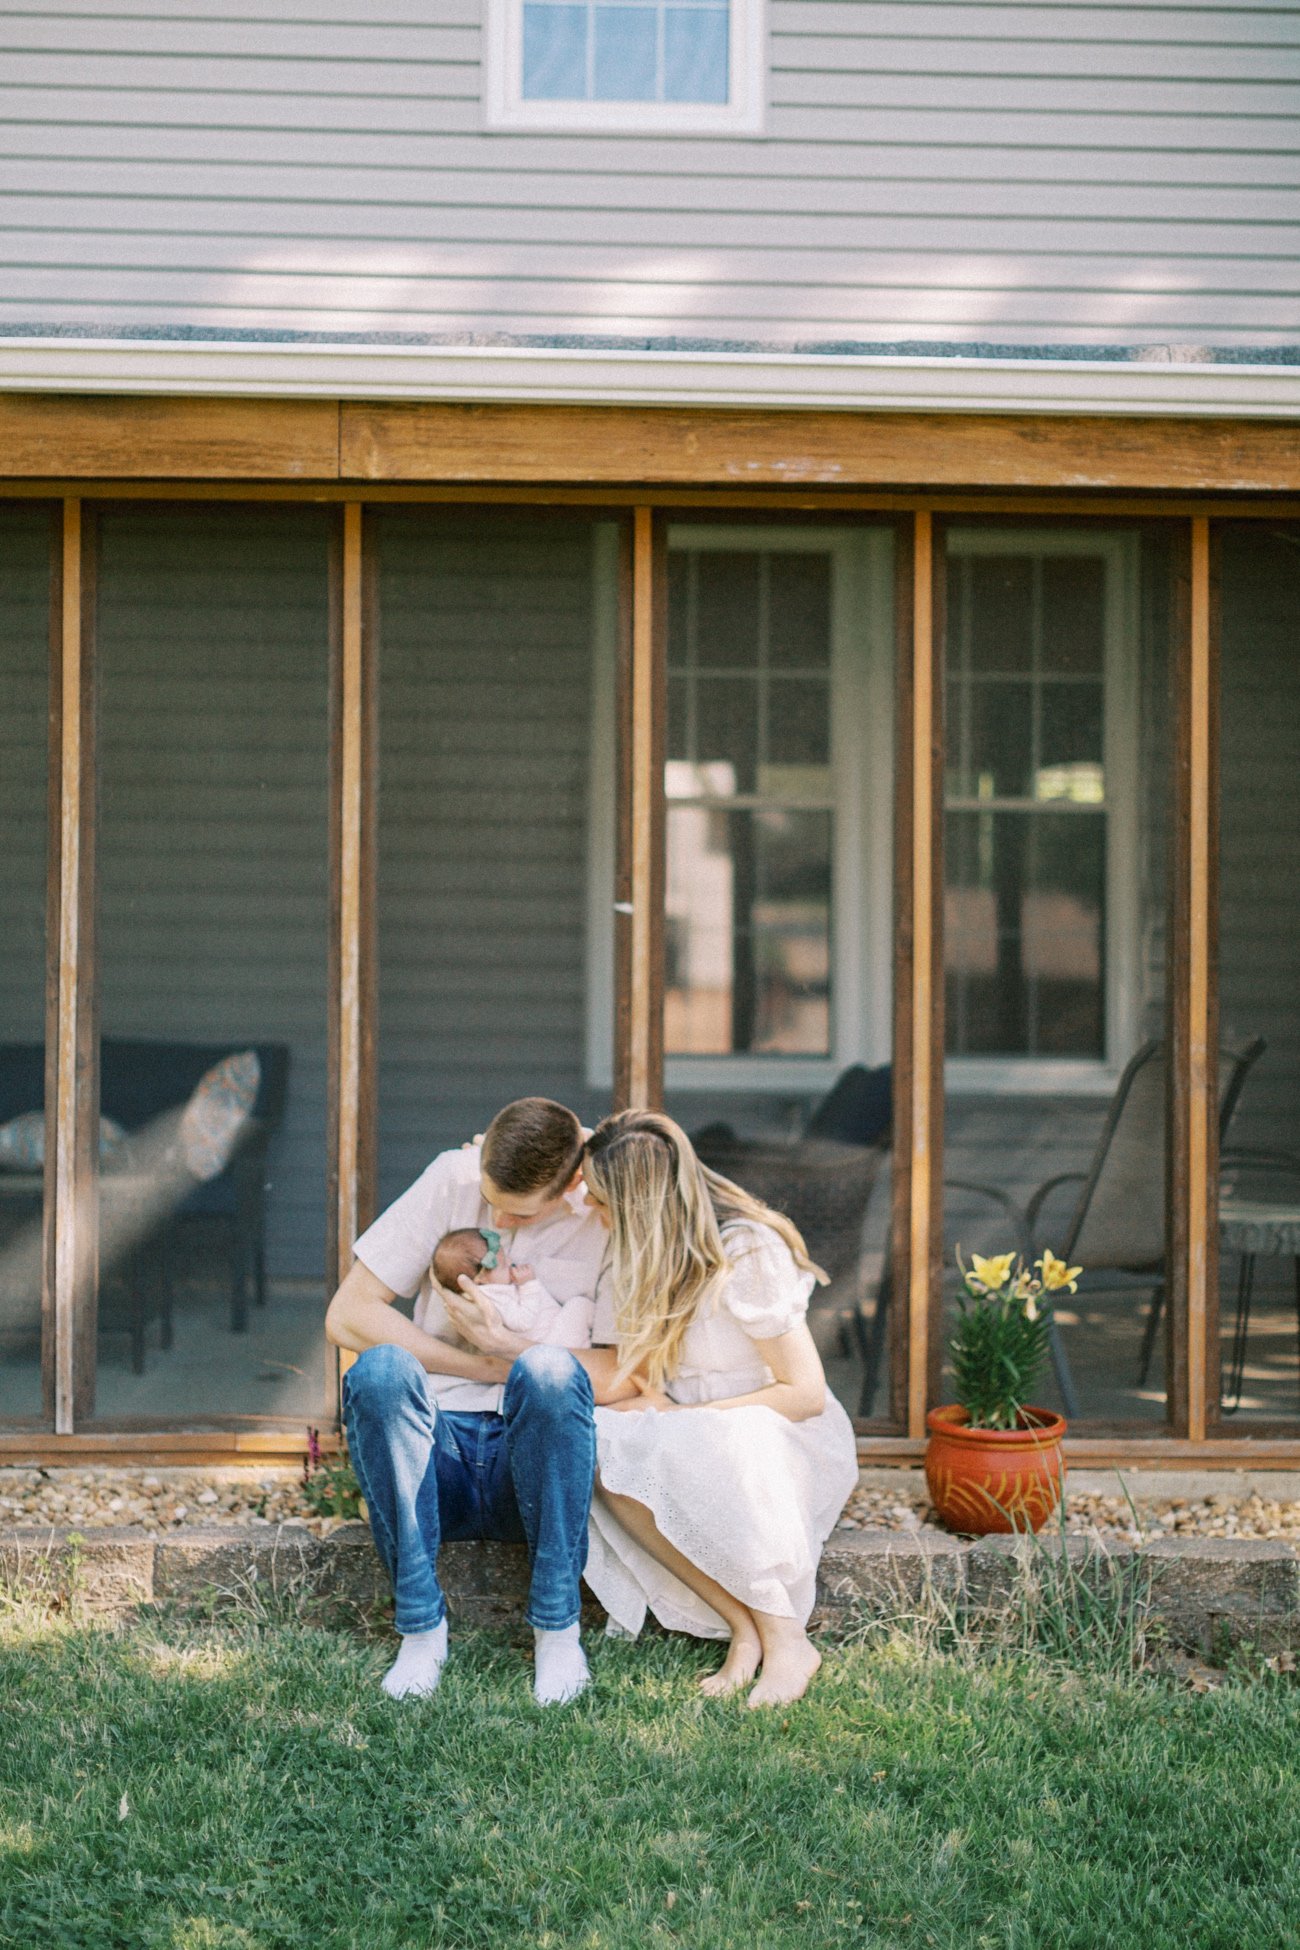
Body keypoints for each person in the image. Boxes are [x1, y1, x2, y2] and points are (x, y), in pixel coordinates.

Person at [324, 1097, 619, 1707]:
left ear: (570, 1186)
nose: (496, 1225)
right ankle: (421, 1629)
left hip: (535, 1458)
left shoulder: (605, 1213)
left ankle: (557, 1630)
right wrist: (481, 1363)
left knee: (549, 1370)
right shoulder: (450, 1177)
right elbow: (349, 1315)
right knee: (378, 1370)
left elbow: (627, 1369)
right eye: (488, 1203)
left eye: (513, 1215)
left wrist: (516, 1354)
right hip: (437, 1449)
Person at [577, 1109, 859, 1709]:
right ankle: (744, 1627)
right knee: (600, 1446)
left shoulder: (746, 1249)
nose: (591, 1213)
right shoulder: (635, 1258)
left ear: (638, 1205)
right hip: (693, 1424)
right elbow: (649, 1376)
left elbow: (803, 1393)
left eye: (600, 1200)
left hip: (779, 1427)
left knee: (732, 1441)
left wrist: (690, 1418)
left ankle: (788, 1641)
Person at [430, 1225, 596, 1350]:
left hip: (555, 1336)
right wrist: (528, 1284)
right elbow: (522, 1322)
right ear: (480, 1280)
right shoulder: (491, 1297)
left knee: (578, 1309)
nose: (510, 1263)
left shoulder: (492, 1286)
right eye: (503, 1265)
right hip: (553, 1342)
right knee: (579, 1305)